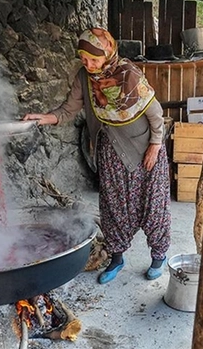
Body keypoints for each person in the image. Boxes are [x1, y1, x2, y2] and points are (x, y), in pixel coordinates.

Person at [23, 28, 171, 284]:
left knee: (153, 206)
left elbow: (155, 112)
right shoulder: (84, 77)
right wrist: (45, 118)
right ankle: (116, 258)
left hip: (145, 149)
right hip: (111, 152)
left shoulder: (128, 74)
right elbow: (70, 108)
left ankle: (159, 256)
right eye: (84, 59)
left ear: (108, 53)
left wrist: (156, 145)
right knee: (114, 208)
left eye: (94, 59)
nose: (89, 65)